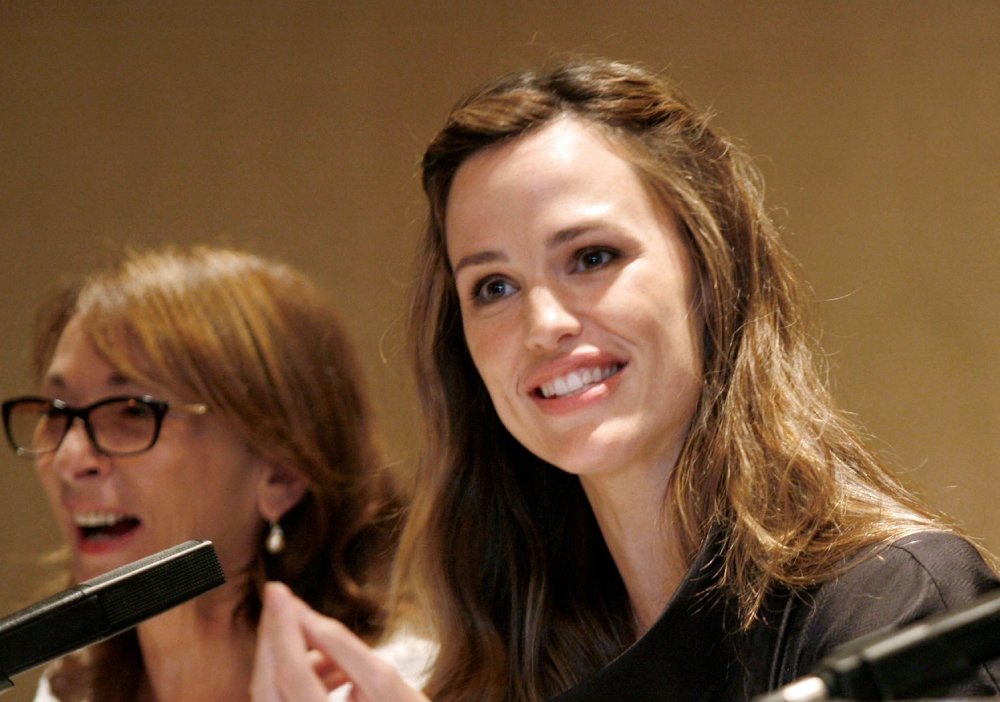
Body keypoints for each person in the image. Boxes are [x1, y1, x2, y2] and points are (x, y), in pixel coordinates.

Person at [250, 58, 1000, 701]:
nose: (543, 324)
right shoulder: (507, 656)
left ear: (711, 267)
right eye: (493, 287)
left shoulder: (897, 601)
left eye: (591, 257)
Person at [1, 245, 433, 701]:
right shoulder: (69, 690)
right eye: (56, 412)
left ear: (282, 475)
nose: (69, 459)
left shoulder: (398, 687)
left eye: (132, 411)